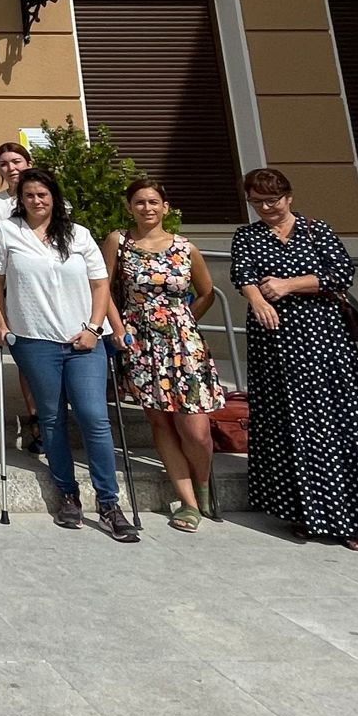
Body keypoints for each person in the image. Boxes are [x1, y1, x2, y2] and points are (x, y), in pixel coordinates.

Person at [231, 166, 358, 551]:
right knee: (287, 423)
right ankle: (303, 511)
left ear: (288, 197)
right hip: (274, 342)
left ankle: (352, 517)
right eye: (257, 202)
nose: (266, 207)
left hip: (323, 337)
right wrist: (259, 300)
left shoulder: (316, 229)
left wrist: (288, 285)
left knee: (335, 420)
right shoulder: (247, 235)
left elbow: (341, 272)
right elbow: (242, 274)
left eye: (272, 200)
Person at [0, 166, 137, 541]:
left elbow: (100, 284)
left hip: (83, 340)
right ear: (20, 199)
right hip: (34, 339)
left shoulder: (78, 234)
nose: (36, 201)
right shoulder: (7, 231)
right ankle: (68, 495)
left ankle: (109, 503)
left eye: (42, 194)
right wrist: (1, 323)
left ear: (54, 197)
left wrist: (94, 328)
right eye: (29, 195)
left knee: (93, 417)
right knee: (51, 418)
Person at [102, 176, 225, 532]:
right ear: (129, 207)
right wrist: (119, 328)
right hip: (140, 342)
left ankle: (203, 484)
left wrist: (184, 321)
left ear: (165, 207)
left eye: (153, 202)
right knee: (161, 421)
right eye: (139, 202)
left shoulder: (186, 247)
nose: (147, 208)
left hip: (184, 344)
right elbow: (102, 287)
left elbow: (206, 292)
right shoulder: (118, 241)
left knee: (196, 427)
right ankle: (188, 502)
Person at [0, 141, 39, 452]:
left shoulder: (47, 197)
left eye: (16, 161)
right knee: (27, 358)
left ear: (28, 162)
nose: (11, 168)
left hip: (47, 289)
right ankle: (36, 419)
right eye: (4, 163)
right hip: (11, 288)